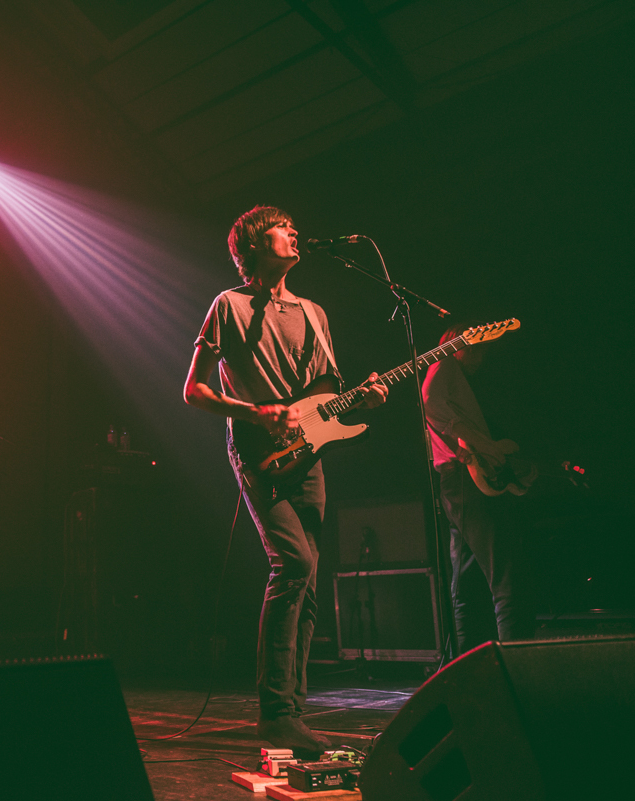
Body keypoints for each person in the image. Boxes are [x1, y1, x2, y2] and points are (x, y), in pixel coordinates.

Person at [184, 206, 387, 752]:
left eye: (295, 227)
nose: (294, 232)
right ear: (254, 243)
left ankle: (291, 712)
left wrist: (364, 397)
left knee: (309, 578)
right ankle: (275, 711)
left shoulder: (314, 313)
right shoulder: (228, 305)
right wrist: (255, 413)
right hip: (258, 452)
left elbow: (324, 393)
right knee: (292, 563)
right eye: (282, 227)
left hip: (309, 455)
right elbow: (194, 390)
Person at [422, 323, 533, 655]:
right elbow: (431, 402)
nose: (481, 357)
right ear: (460, 344)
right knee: (506, 576)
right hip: (465, 480)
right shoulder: (444, 364)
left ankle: (467, 664)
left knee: (467, 585)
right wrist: (485, 445)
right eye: (478, 348)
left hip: (454, 481)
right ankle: (518, 663)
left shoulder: (453, 376)